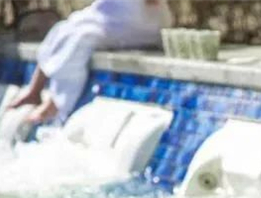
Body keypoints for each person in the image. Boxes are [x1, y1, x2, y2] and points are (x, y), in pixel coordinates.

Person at [9, 0, 172, 124]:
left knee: (80, 38)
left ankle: (57, 103)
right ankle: (34, 90)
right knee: (62, 28)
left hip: (137, 23)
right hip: (111, 15)